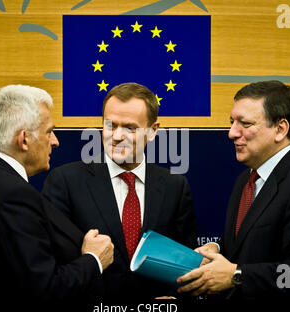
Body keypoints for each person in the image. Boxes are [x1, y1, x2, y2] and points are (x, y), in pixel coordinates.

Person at [0, 84, 114, 302]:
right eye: (49, 132)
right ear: (24, 139)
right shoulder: (15, 195)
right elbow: (45, 290)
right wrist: (93, 259)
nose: (55, 141)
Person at [177, 80, 290, 301]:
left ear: (280, 129)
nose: (232, 133)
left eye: (244, 123)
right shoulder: (246, 179)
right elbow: (246, 248)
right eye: (232, 122)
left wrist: (237, 275)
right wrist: (216, 251)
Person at [42, 82, 197, 300]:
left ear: (153, 131)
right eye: (110, 125)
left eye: (129, 128)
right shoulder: (65, 181)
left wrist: (173, 299)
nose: (116, 136)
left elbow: (186, 264)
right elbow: (51, 265)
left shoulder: (175, 187)